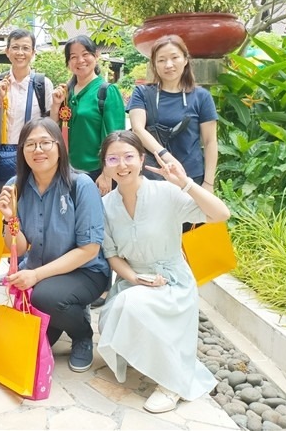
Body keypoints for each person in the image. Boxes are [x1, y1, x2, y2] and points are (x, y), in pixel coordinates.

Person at [96, 130, 229, 413]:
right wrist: (135, 278)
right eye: (113, 159)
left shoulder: (166, 193)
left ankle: (172, 384)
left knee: (131, 305)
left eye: (129, 156)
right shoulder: (105, 206)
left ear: (142, 159)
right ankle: (155, 355)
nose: (122, 165)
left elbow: (221, 214)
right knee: (115, 314)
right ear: (104, 164)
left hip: (172, 282)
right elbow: (111, 254)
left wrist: (185, 183)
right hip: (134, 281)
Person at [0, 117, 109, 373]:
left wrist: (35, 275)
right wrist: (9, 219)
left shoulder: (81, 185)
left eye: (45, 142)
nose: (38, 150)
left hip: (85, 271)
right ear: (22, 150)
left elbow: (89, 250)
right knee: (29, 346)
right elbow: (19, 249)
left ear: (59, 146)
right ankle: (57, 319)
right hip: (42, 270)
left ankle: (81, 334)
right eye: (30, 144)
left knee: (44, 296)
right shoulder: (14, 186)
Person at [127, 35, 218, 193]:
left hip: (191, 178)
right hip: (152, 178)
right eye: (161, 60)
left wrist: (208, 183)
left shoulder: (201, 96)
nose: (168, 65)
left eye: (174, 57)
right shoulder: (142, 93)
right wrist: (167, 156)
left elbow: (210, 141)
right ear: (154, 64)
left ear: (185, 60)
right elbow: (138, 130)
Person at [51, 35, 126, 195]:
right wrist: (56, 105)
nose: (80, 60)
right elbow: (53, 130)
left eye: (85, 54)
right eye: (73, 57)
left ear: (96, 56)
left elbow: (115, 137)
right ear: (68, 63)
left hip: (96, 173)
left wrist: (107, 174)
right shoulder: (66, 92)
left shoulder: (107, 91)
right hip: (67, 171)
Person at [0, 28, 54, 192]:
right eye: (15, 47)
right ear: (7, 51)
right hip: (1, 156)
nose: (20, 53)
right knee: (4, 199)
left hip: (33, 154)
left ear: (33, 52)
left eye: (25, 48)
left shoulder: (43, 84)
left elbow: (51, 124)